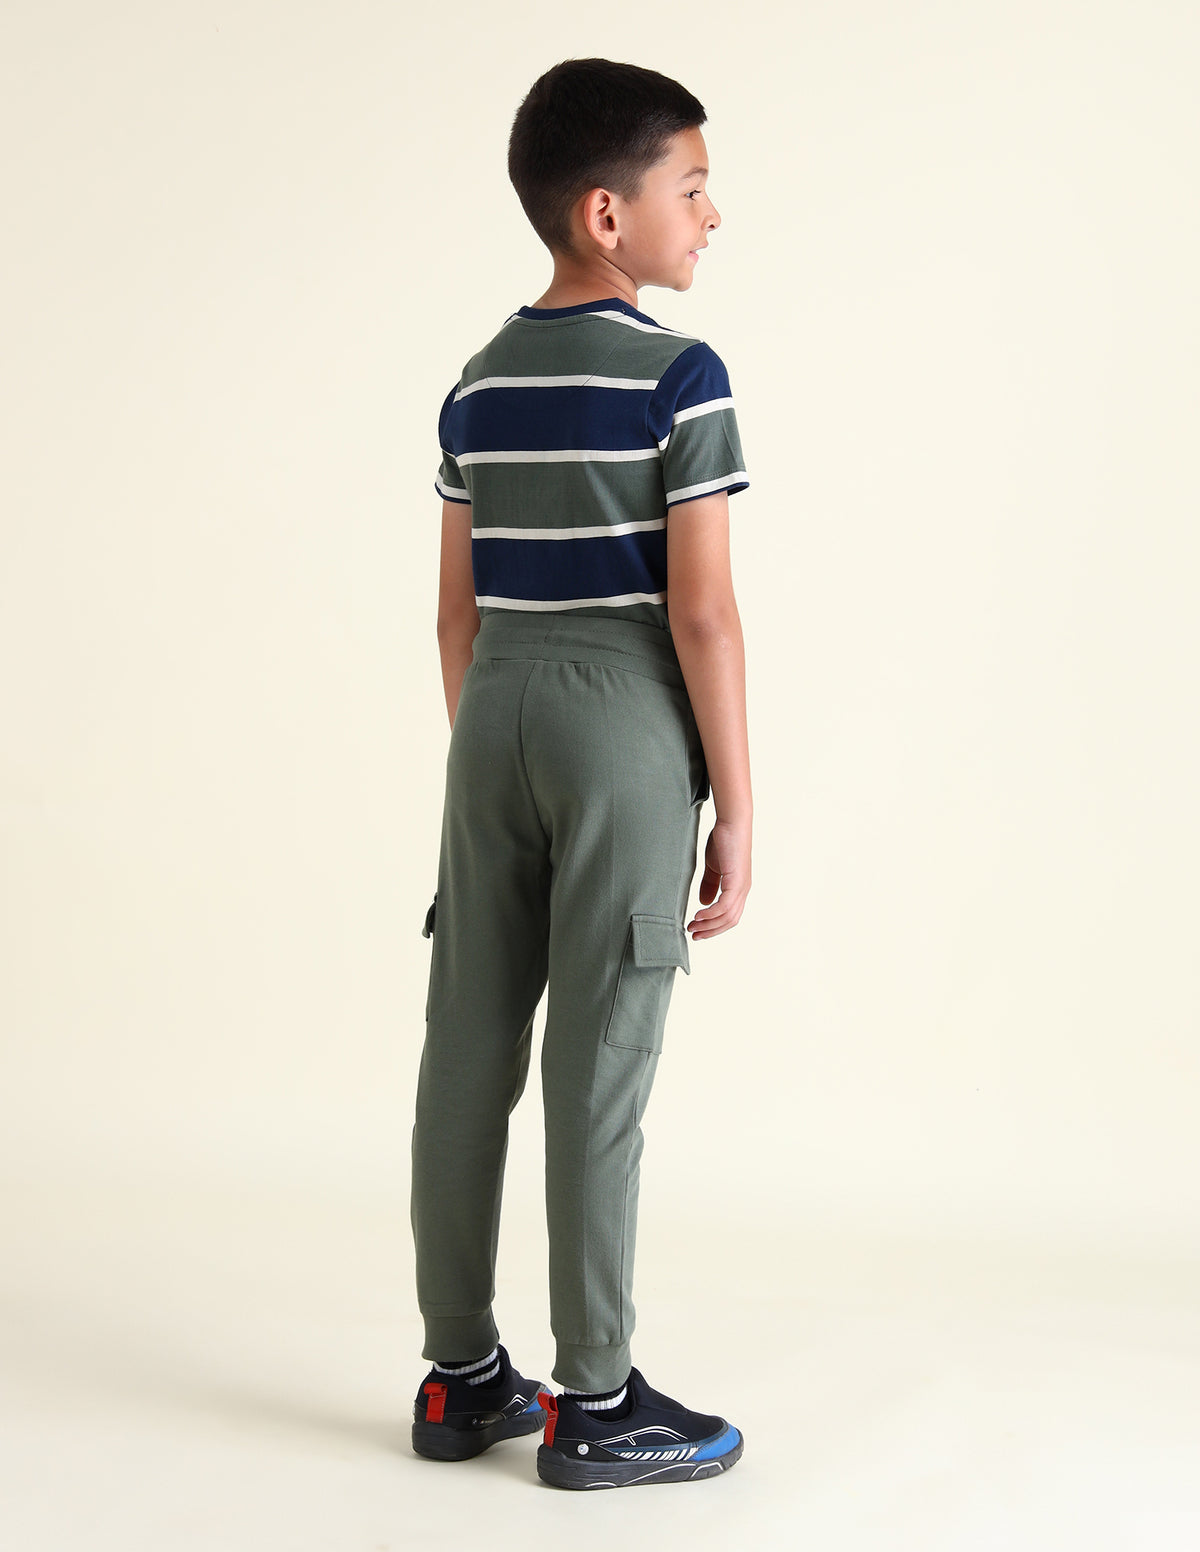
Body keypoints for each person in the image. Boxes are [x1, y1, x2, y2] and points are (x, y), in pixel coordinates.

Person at [409, 57, 753, 1491]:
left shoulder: (476, 383)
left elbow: (454, 614)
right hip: (620, 715)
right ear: (607, 214)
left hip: (492, 710)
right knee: (598, 1065)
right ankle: (596, 1400)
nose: (714, 214)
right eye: (694, 186)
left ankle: (459, 1377)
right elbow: (703, 615)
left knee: (467, 1051)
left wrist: (494, 745)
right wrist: (735, 805)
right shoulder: (681, 378)